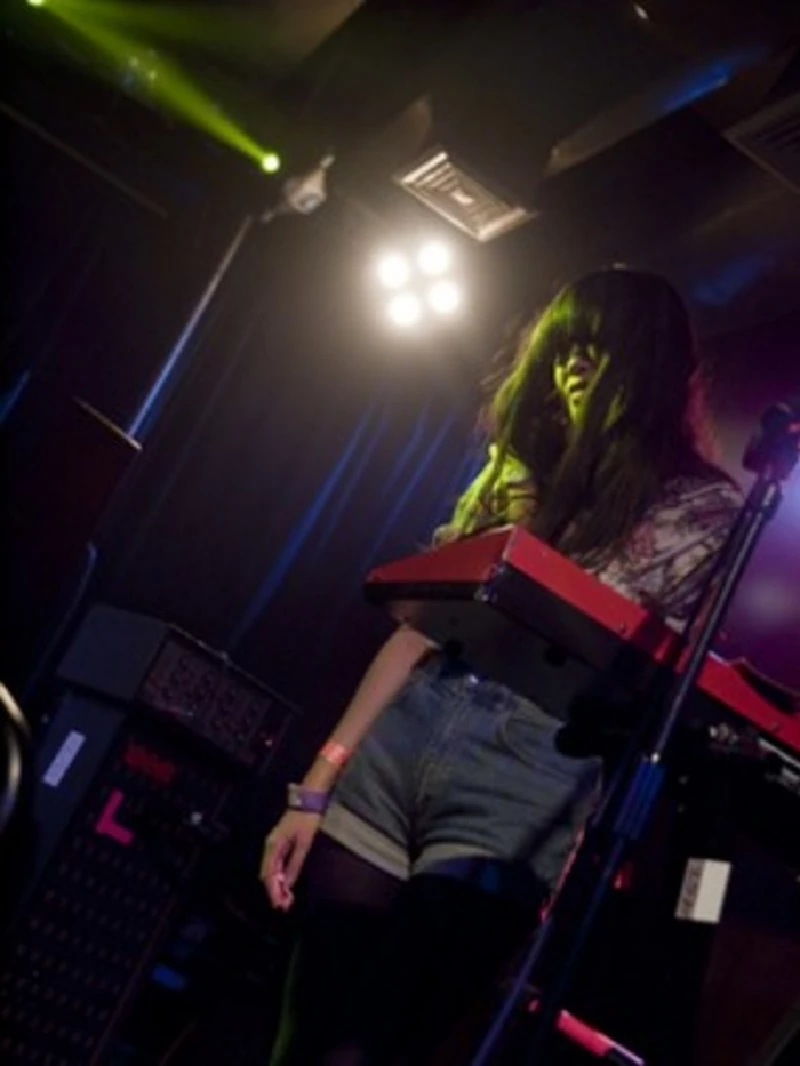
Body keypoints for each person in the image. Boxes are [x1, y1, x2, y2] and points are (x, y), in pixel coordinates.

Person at [260, 268, 742, 1065]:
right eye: (563, 347)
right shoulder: (518, 469)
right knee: (305, 1034)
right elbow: (415, 631)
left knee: (376, 1045)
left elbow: (621, 655)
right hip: (399, 748)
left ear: (648, 360)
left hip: (520, 779)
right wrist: (314, 787)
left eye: (599, 343)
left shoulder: (703, 509)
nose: (574, 362)